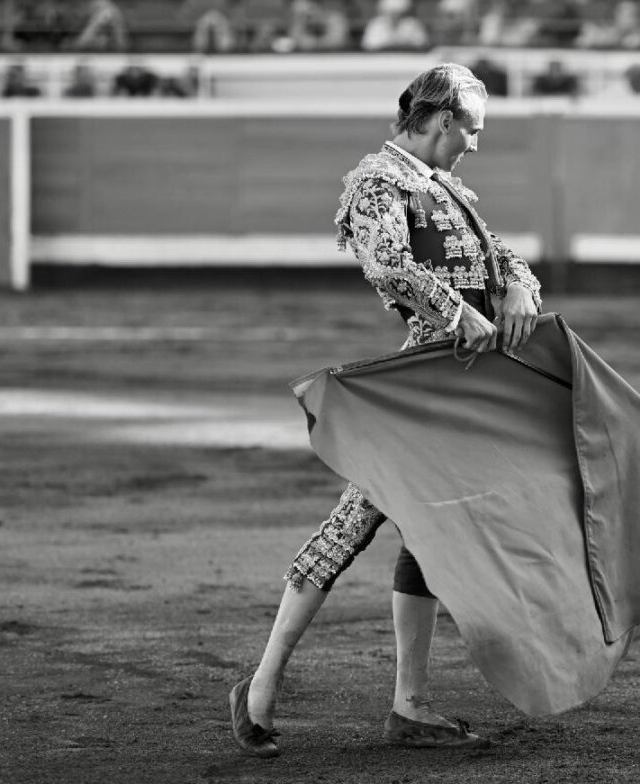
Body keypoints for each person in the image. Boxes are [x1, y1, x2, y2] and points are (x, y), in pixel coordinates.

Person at [229, 62, 542, 758]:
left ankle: (410, 705)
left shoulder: (445, 188)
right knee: (350, 527)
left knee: (427, 534)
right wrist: (460, 310)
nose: (475, 143)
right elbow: (388, 265)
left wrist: (518, 287)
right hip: (419, 388)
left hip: (457, 387)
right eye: (471, 129)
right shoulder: (378, 180)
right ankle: (260, 686)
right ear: (437, 120)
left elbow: (502, 257)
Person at [360, 0, 427, 51]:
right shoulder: (375, 24)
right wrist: (389, 45)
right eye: (391, 13)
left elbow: (422, 44)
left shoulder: (413, 24)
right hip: (380, 61)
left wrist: (402, 44)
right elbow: (368, 45)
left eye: (398, 13)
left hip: (407, 60)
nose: (394, 16)